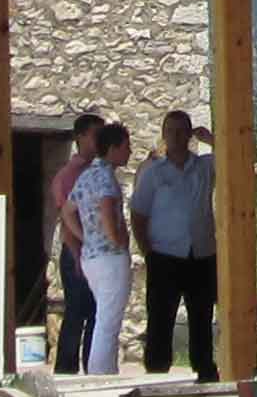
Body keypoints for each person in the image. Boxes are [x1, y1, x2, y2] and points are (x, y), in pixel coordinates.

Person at [131, 109, 218, 382]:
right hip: (164, 254)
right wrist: (148, 252)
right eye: (171, 131)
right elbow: (138, 213)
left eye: (182, 130)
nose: (177, 136)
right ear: (164, 135)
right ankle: (157, 372)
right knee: (160, 317)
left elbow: (241, 159)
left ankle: (204, 369)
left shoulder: (205, 166)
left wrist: (213, 140)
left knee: (202, 316)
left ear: (190, 134)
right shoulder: (153, 172)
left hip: (201, 253)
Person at [68, 118, 136, 377]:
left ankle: (102, 370)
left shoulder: (86, 176)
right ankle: (101, 375)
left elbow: (67, 211)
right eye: (125, 146)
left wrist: (85, 237)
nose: (129, 151)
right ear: (113, 148)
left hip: (91, 257)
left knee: (103, 315)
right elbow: (107, 207)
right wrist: (116, 238)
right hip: (110, 257)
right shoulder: (106, 177)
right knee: (109, 321)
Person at [48, 111, 108, 370]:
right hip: (77, 252)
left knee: (97, 312)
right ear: (80, 137)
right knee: (76, 313)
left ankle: (93, 367)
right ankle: (66, 370)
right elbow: (67, 218)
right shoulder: (67, 176)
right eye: (96, 136)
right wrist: (79, 253)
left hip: (98, 253)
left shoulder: (101, 171)